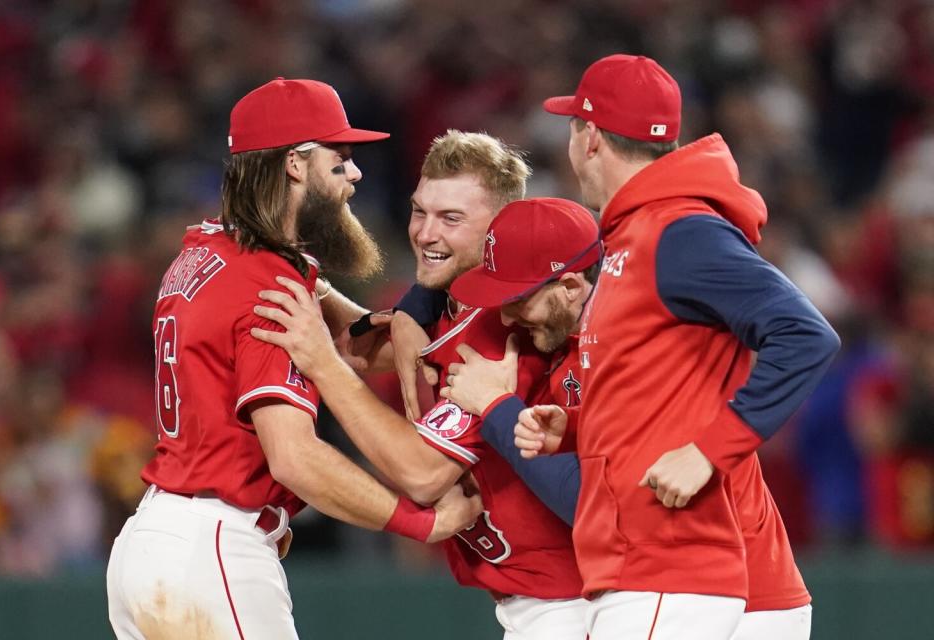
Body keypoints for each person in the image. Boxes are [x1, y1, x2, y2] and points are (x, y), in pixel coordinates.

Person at [105, 79, 482, 640]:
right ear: (297, 165)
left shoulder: (210, 248)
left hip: (153, 545)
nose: (354, 175)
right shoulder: (269, 280)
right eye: (342, 160)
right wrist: (420, 521)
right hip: (212, 546)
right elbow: (294, 458)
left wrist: (425, 308)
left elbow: (358, 345)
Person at [508, 54, 840, 639]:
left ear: (588, 139)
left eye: (573, 125)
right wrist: (578, 424)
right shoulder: (641, 233)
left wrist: (710, 451)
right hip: (699, 569)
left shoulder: (676, 230)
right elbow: (669, 383)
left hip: (665, 566)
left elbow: (805, 333)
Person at [252, 132, 590, 640]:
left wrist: (322, 361)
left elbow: (423, 474)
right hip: (537, 603)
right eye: (419, 212)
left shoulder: (509, 328)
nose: (426, 234)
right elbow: (358, 344)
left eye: (452, 219)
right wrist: (300, 274)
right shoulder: (449, 305)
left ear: (501, 232)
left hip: (571, 606)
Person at [441, 198, 816, 639]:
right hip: (726, 590)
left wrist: (497, 408)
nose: (506, 315)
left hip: (726, 596)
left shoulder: (626, 337)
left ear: (571, 288)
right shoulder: (602, 332)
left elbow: (593, 501)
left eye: (519, 298)